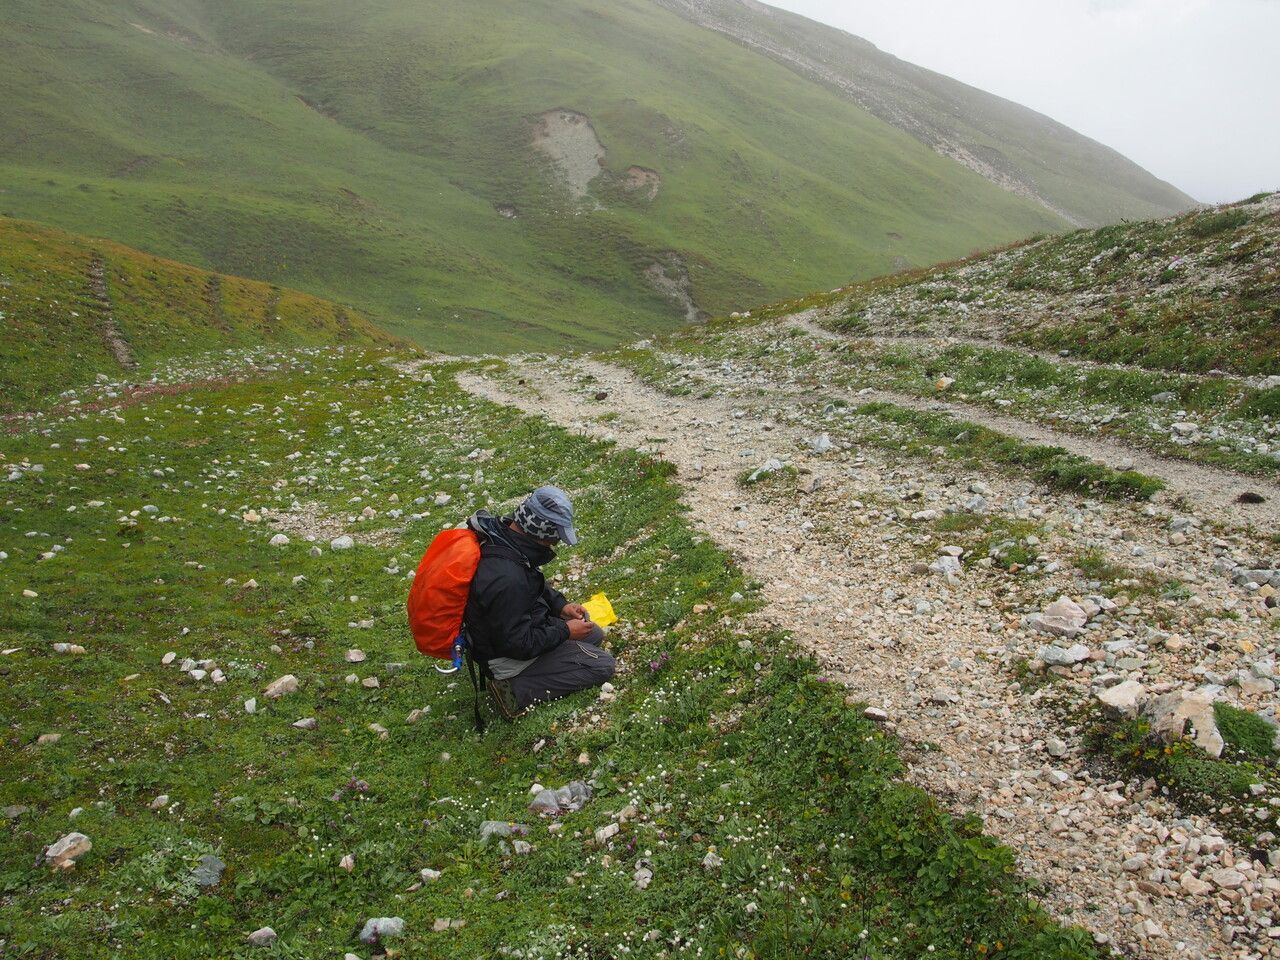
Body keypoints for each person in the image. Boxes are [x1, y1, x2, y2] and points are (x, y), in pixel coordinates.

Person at [463, 486, 615, 720]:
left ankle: (547, 666)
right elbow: (517, 644)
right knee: (602, 666)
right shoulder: (506, 578)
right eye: (556, 537)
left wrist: (560, 607)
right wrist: (565, 631)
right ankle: (513, 689)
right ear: (542, 532)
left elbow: (533, 585)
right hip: (504, 656)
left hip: (510, 634)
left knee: (593, 633)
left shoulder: (507, 540)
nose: (556, 543)